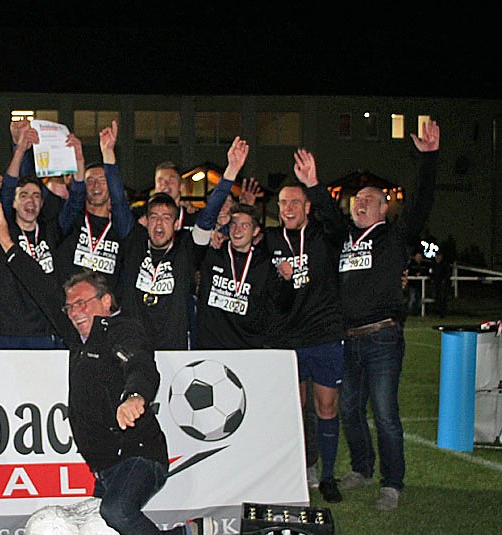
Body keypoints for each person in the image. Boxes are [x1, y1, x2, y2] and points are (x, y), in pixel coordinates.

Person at [0, 204, 213, 535]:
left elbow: (140, 364)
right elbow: (39, 287)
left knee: (116, 512)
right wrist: (5, 240)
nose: (74, 310)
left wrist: (135, 396)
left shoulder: (121, 329)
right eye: (70, 306)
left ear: (105, 301)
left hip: (140, 455)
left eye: (82, 303)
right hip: (106, 466)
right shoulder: (77, 338)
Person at [337, 120, 440, 511]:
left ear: (384, 208)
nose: (359, 203)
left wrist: (428, 159)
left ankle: (392, 483)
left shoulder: (395, 237)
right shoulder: (344, 239)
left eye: (369, 198)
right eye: (356, 198)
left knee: (384, 412)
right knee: (349, 408)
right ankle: (362, 468)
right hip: (349, 338)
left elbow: (421, 203)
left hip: (382, 337)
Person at [262, 150, 346, 502]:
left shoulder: (323, 236)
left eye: (295, 202)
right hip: (288, 339)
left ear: (307, 206)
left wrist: (314, 183)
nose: (288, 208)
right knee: (294, 411)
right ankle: (300, 469)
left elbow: (339, 223)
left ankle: (327, 476)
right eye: (283, 203)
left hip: (324, 335)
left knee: (326, 407)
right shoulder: (270, 241)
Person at [118, 136, 250, 349]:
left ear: (177, 223)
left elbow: (208, 217)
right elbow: (118, 204)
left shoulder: (188, 244)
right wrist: (108, 155)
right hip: (137, 342)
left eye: (166, 218)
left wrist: (230, 172)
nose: (159, 223)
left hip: (176, 335)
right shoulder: (136, 236)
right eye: (154, 217)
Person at [0, 120, 76, 349]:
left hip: (44, 331)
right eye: (23, 195)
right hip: (4, 331)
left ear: (42, 203)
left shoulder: (51, 231)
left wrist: (79, 161)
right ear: (13, 203)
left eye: (36, 196)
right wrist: (20, 149)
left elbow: (76, 203)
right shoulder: (4, 230)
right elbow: (9, 185)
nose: (30, 201)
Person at [195, 204, 294, 349]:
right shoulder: (212, 253)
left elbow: (282, 305)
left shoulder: (265, 264)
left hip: (247, 349)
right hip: (211, 347)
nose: (237, 230)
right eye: (233, 224)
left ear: (255, 231)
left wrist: (287, 281)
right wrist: (209, 236)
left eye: (245, 225)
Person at [53, 121, 134, 291]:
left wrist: (108, 153)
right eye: (90, 181)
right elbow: (75, 198)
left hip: (104, 305)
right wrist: (79, 160)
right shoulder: (71, 221)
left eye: (103, 180)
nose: (96, 185)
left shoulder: (120, 226)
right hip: (70, 303)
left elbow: (119, 201)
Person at [430, 250, 451, 318]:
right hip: (436, 284)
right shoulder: (433, 264)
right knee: (437, 298)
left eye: (439, 256)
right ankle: (438, 312)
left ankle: (442, 313)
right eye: (437, 256)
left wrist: (444, 280)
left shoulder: (445, 264)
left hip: (443, 284)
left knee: (443, 298)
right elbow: (431, 272)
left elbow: (448, 273)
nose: (438, 257)